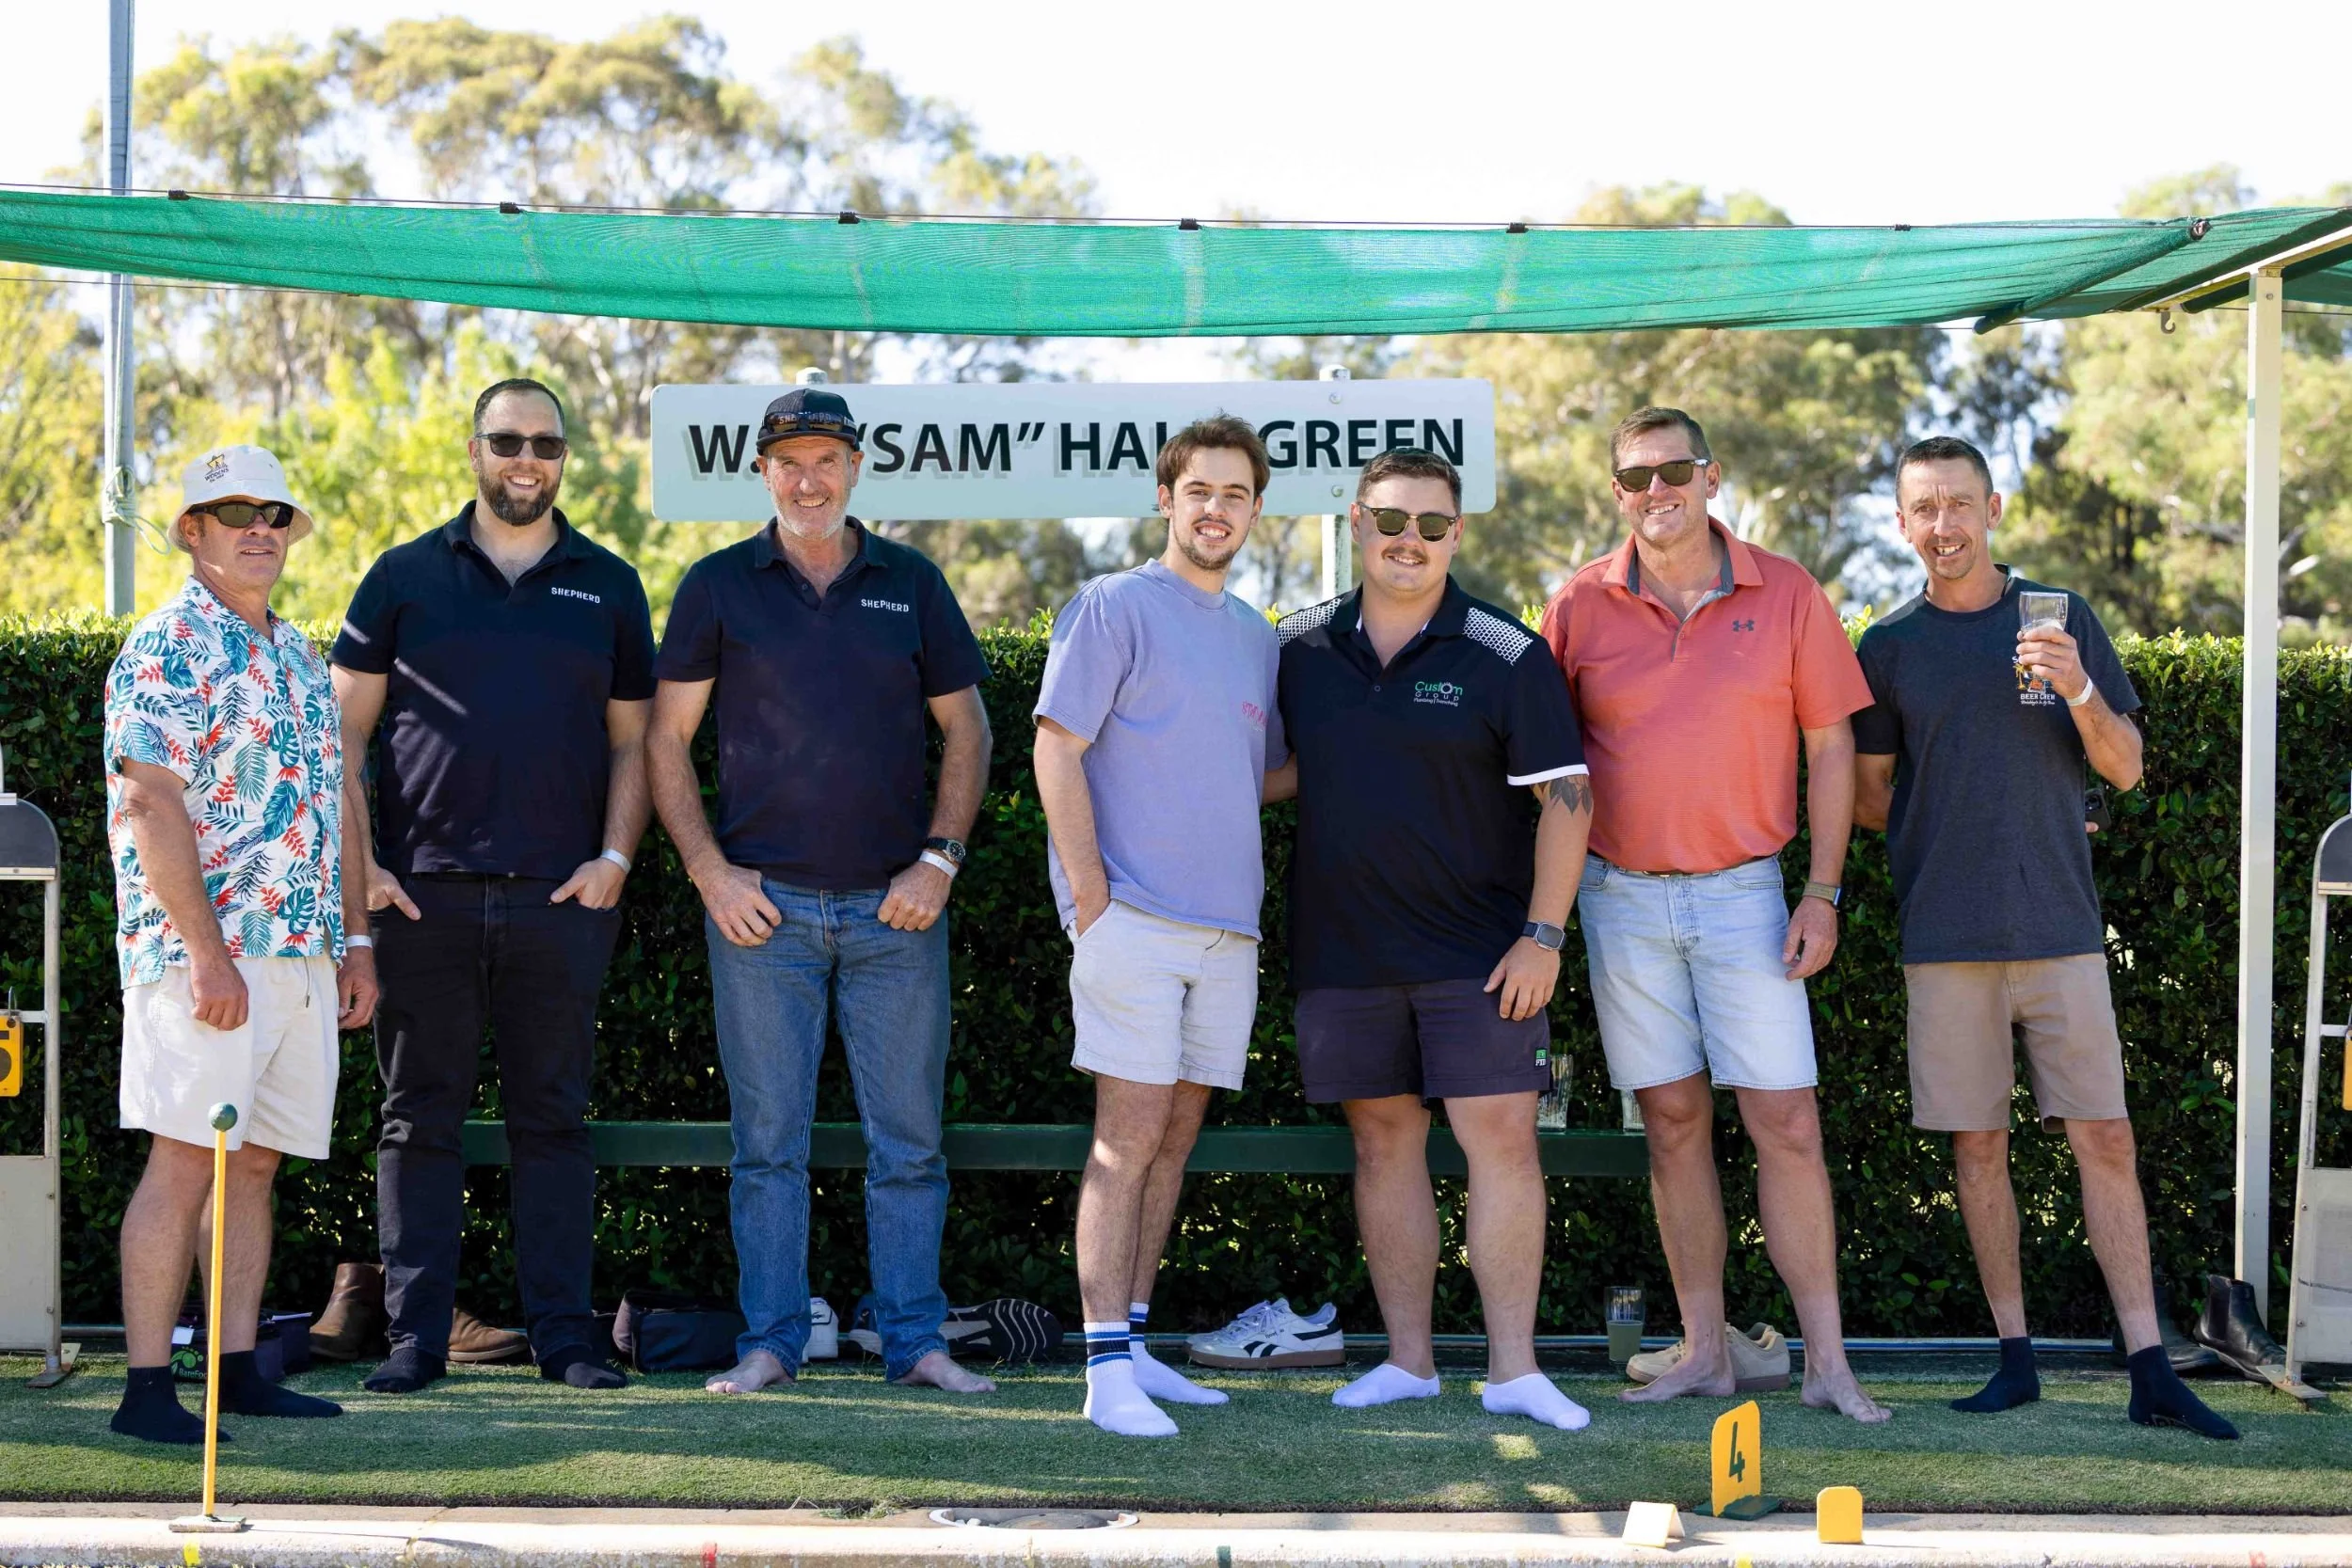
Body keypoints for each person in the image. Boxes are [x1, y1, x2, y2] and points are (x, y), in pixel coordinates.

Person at [1852, 436, 2236, 1439]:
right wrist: (1951, 816)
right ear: (1901, 524)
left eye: (1959, 503)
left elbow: (2127, 767)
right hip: (1945, 938)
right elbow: (1867, 796)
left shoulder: (2060, 618)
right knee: (1978, 1146)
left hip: (2061, 928)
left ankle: (2150, 1366)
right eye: (1924, 508)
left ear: (1993, 509)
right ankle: (2014, 1358)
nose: (1944, 525)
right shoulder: (1887, 646)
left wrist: (2078, 689)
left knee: (2104, 1135)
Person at [1539, 406, 1888, 1423]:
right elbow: (1545, 764)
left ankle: (1827, 1363)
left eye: (1674, 469)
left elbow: (1831, 746)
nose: (1657, 490)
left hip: (1748, 897)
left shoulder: (1787, 591)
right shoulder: (1578, 605)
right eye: (1635, 476)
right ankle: (1705, 1352)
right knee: (1672, 1124)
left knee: (1787, 1121)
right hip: (1618, 898)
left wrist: (1822, 891)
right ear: (1616, 492)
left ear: (1711, 475)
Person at [648, 388, 996, 1398]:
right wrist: (710, 873)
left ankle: (915, 1342)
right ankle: (770, 1343)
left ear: (854, 468)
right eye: (790, 462)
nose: (809, 481)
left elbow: (969, 728)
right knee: (766, 1149)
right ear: (762, 470)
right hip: (765, 918)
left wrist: (939, 860)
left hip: (897, 914)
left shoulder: (911, 581)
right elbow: (666, 739)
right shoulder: (717, 585)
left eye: (827, 460)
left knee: (911, 1147)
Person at [332, 378, 652, 1395]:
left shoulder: (609, 584)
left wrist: (614, 860)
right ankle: (414, 1341)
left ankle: (566, 1340)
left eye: (546, 445)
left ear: (565, 458)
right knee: (415, 1121)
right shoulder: (402, 575)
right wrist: (363, 868)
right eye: (508, 441)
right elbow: (341, 735)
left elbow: (635, 741)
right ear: (474, 449)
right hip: (420, 897)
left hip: (559, 902)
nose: (526, 460)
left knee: (552, 1124)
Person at [1275, 448, 1596, 1431]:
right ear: (1356, 523)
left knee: (1502, 1144)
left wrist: (1543, 935)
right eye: (1388, 519)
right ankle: (1408, 1363)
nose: (1406, 539)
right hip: (1344, 955)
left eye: (1429, 523)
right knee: (1383, 1145)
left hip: (1481, 955)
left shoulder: (1506, 651)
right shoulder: (1295, 646)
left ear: (1456, 534)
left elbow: (1569, 798)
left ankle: (1514, 1371)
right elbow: (1269, 768)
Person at [104, 445, 375, 1443]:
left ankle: (235, 1369)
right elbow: (148, 800)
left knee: (254, 1163)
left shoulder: (299, 652)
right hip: (204, 956)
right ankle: (145, 1390)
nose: (260, 528)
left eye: (274, 512)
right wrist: (209, 955)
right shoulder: (167, 642)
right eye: (233, 512)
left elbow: (337, 800)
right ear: (192, 531)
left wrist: (356, 940)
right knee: (185, 1159)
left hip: (304, 952)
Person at [1035, 416, 1288, 1438]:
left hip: (1228, 933)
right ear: (1165, 499)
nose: (1215, 510)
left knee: (1173, 1143)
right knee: (1125, 1140)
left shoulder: (1257, 636)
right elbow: (1056, 747)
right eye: (1199, 491)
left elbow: (1255, 774)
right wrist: (1090, 897)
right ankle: (1104, 1372)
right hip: (1131, 921)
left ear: (1256, 510)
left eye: (1235, 494)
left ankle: (1135, 1344)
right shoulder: (1112, 605)